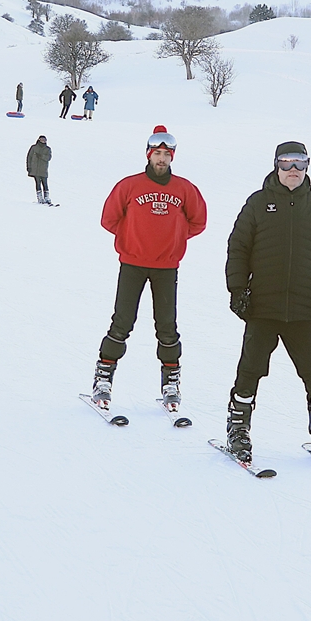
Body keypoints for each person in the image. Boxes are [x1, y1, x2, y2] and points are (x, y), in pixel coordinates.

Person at [223, 142, 311, 465]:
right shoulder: (259, 203)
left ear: (307, 167)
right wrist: (237, 290)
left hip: (304, 308)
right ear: (276, 165)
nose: (293, 170)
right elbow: (238, 246)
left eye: (300, 163)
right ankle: (238, 427)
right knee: (250, 369)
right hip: (262, 306)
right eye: (287, 163)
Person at [90, 126, 207, 412]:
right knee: (122, 322)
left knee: (167, 327)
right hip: (132, 264)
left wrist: (174, 236)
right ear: (148, 154)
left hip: (166, 267)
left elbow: (198, 221)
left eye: (167, 154)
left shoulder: (184, 188)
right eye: (158, 153)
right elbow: (109, 219)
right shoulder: (129, 186)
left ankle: (170, 383)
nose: (162, 159)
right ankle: (104, 376)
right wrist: (132, 238)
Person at [27, 135, 52, 205]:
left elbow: (49, 158)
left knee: (45, 183)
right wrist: (29, 167)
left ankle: (47, 197)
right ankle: (40, 197)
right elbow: (29, 157)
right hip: (35, 169)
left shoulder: (47, 149)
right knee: (38, 183)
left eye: (44, 140)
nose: (43, 141)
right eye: (42, 139)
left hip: (43, 169)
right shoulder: (34, 148)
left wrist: (42, 156)